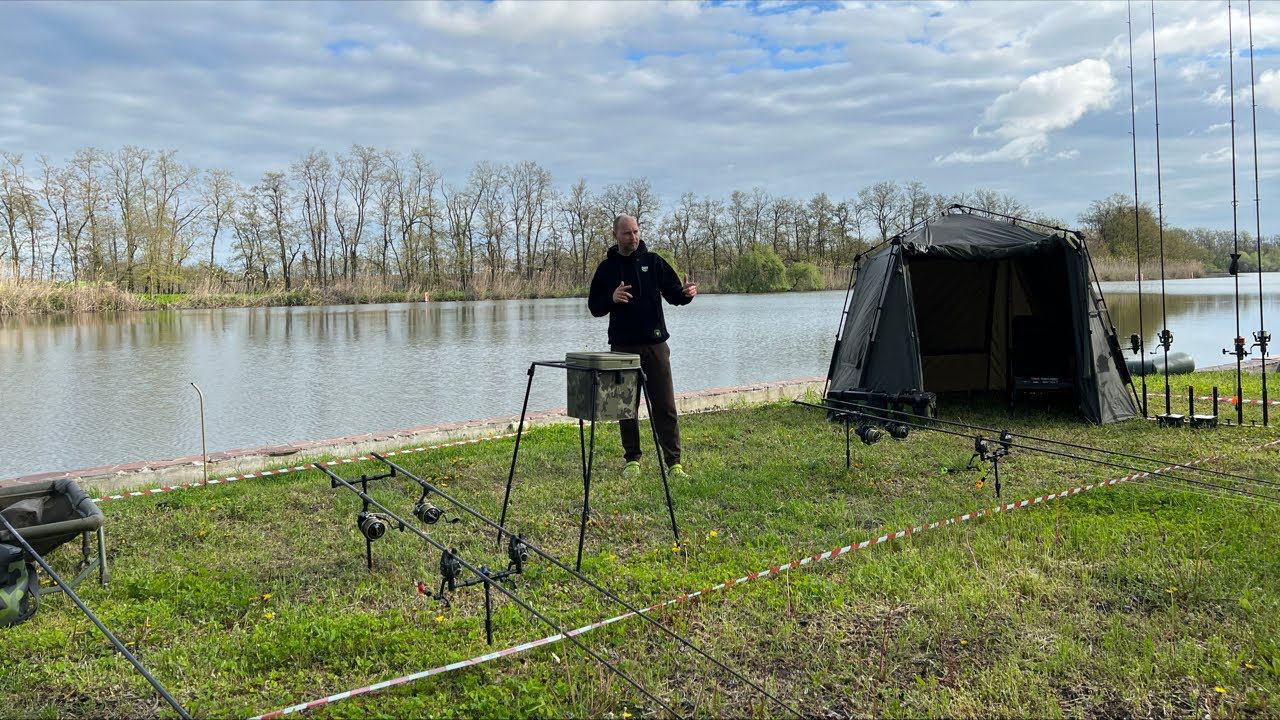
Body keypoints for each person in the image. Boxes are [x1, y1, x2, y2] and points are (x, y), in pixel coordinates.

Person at [587, 214, 697, 480]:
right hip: (622, 347)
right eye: (627, 233)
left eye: (636, 232)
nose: (633, 237)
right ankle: (632, 458)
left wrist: (686, 293)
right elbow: (594, 307)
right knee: (625, 405)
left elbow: (674, 295)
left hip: (656, 345)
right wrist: (611, 298)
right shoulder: (606, 269)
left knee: (665, 405)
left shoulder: (654, 262)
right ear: (615, 235)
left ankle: (673, 462)